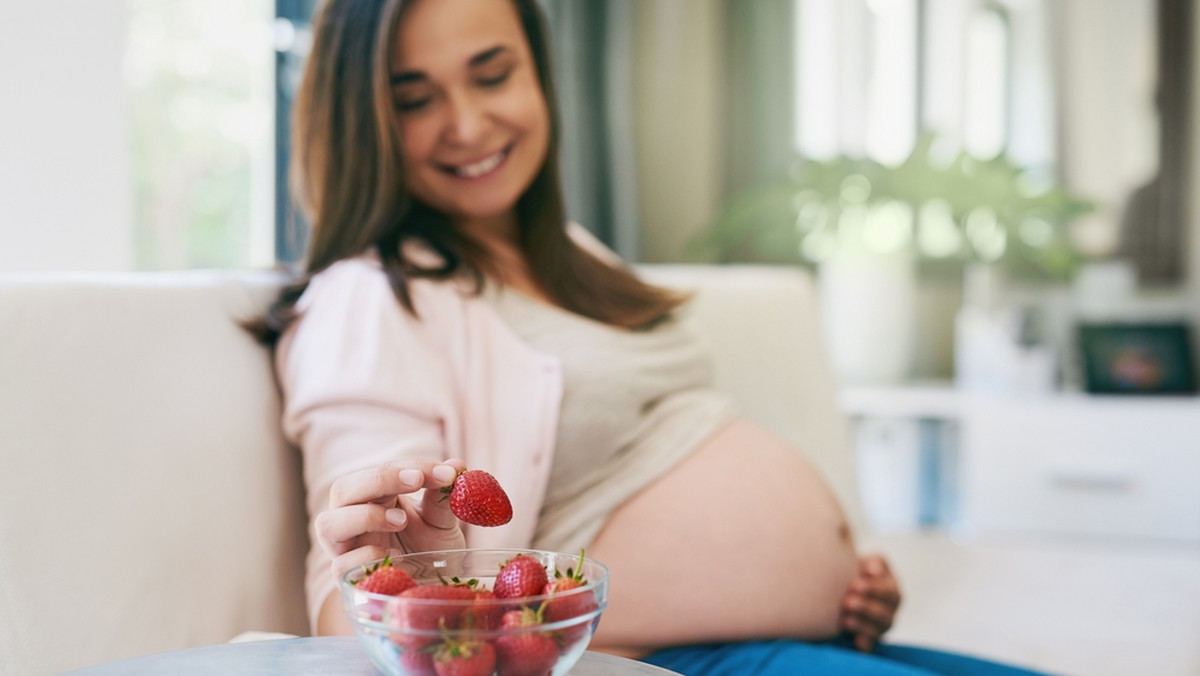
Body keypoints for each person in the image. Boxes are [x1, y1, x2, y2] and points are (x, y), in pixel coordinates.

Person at [249, 0, 1050, 674]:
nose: (467, 122)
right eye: (414, 97)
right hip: (667, 660)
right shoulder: (366, 298)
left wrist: (833, 575)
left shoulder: (573, 254)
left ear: (539, 72)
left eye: (493, 74)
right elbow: (343, 603)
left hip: (794, 635)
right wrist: (401, 571)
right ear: (365, 121)